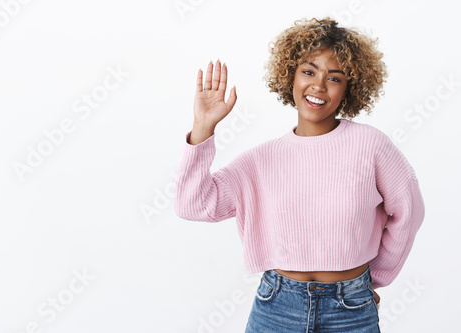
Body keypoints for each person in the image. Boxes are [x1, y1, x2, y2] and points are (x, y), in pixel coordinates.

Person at [173, 17, 425, 332]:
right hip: (276, 308)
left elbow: (409, 210)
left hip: (350, 311)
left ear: (350, 87)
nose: (318, 86)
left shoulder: (371, 146)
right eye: (308, 72)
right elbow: (193, 204)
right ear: (290, 75)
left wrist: (374, 278)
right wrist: (203, 128)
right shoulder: (261, 160)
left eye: (334, 78)